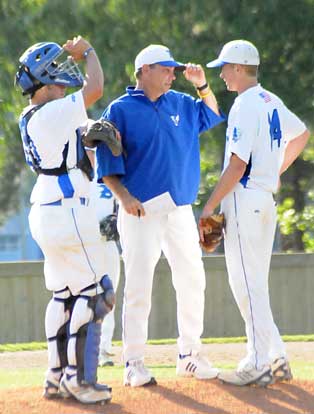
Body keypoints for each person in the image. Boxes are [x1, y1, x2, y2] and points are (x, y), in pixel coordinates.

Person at [96, 44, 226, 387]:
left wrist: (202, 86)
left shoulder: (181, 102)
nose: (173, 74)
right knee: (139, 284)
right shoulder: (119, 109)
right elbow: (107, 164)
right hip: (141, 210)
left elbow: (212, 114)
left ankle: (189, 355)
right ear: (145, 70)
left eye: (173, 69)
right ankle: (134, 362)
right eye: (167, 69)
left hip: (180, 207)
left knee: (192, 279)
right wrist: (123, 197)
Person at [201, 39, 310, 386]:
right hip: (265, 198)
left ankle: (259, 361)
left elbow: (236, 165)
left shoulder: (245, 105)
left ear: (237, 67)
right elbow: (301, 134)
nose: (221, 75)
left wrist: (210, 203)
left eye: (224, 68)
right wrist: (273, 170)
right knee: (254, 284)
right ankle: (275, 356)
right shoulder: (270, 100)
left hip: (244, 198)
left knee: (246, 285)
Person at [15, 36, 115, 404]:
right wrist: (89, 51)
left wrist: (86, 145)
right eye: (55, 78)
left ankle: (55, 376)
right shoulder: (51, 111)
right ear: (41, 82)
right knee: (97, 294)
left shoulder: (32, 116)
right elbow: (97, 87)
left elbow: (67, 146)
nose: (61, 84)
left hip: (46, 206)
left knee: (64, 295)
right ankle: (79, 379)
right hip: (68, 207)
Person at [88, 150, 121, 367]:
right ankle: (86, 349)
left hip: (107, 244)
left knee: (109, 296)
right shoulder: (77, 178)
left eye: (95, 147)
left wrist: (117, 219)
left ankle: (104, 349)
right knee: (85, 296)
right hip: (86, 245)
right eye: (90, 148)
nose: (93, 151)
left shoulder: (111, 176)